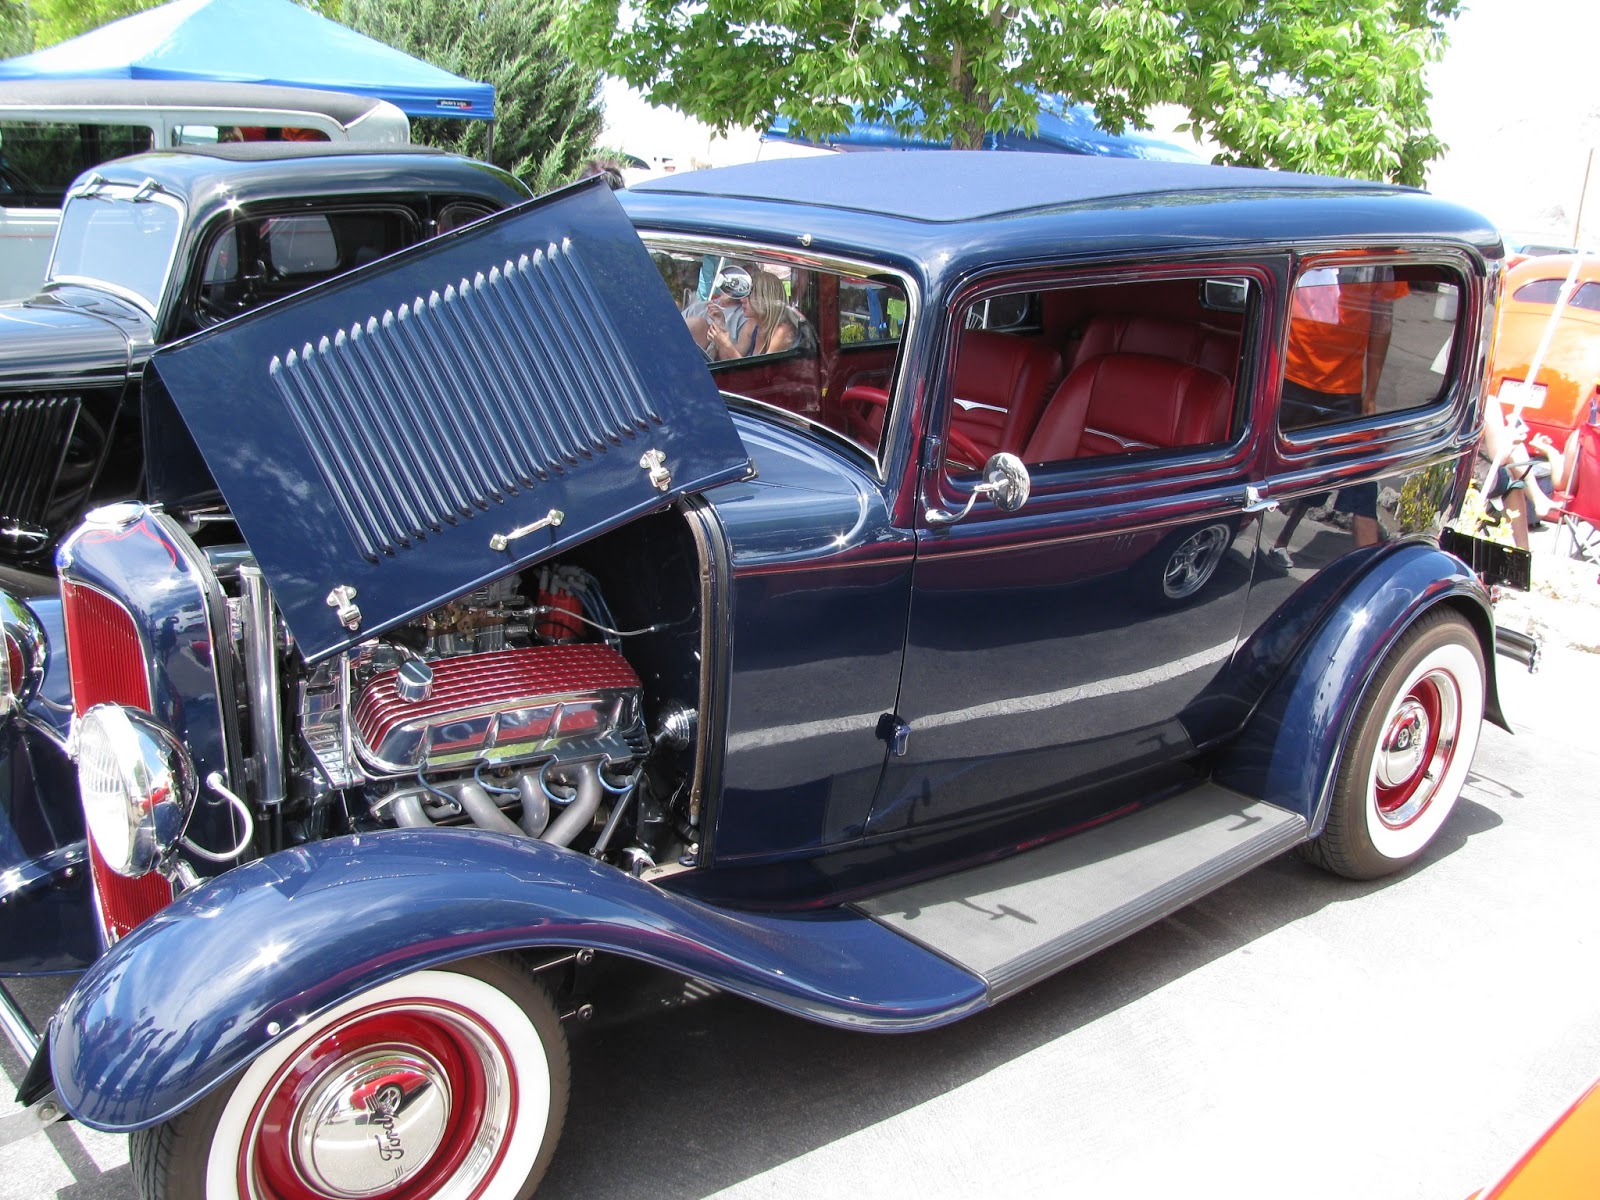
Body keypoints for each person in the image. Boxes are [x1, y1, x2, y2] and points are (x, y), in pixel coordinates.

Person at [682, 266, 751, 358]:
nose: (731, 284)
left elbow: (732, 361)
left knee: (697, 323)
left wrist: (720, 327)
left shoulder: (746, 317)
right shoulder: (699, 307)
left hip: (712, 366)